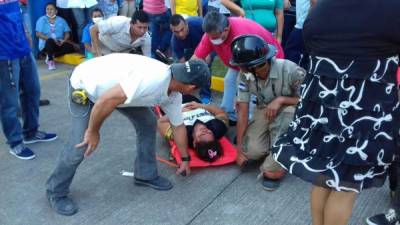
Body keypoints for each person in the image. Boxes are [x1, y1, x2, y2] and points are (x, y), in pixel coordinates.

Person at [271, 1, 400, 225]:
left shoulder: (322, 8)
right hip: (363, 111)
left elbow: (310, 43)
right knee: (345, 188)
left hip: (320, 110)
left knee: (323, 179)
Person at [45, 53, 210, 216]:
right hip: (86, 86)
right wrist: (93, 131)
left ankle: (145, 174)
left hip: (118, 91)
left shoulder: (173, 95)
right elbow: (106, 101)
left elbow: (178, 126)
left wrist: (185, 159)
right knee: (80, 144)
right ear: (191, 88)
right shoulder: (153, 80)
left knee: (148, 122)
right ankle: (55, 191)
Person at [230, 35, 305, 190]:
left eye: (260, 65)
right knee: (250, 152)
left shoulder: (291, 70)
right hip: (264, 108)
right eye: (246, 68)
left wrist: (281, 100)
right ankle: (278, 146)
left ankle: (283, 152)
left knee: (271, 172)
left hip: (293, 111)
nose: (255, 72)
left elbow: (310, 101)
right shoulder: (244, 75)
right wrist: (239, 151)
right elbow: (242, 113)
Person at [192, 11, 284, 123]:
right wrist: (185, 77)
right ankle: (228, 115)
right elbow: (196, 58)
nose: (212, 40)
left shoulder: (241, 34)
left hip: (262, 61)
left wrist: (241, 96)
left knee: (251, 91)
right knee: (229, 81)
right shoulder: (211, 34)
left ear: (226, 29)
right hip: (240, 61)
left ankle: (251, 121)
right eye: (210, 37)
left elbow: (250, 71)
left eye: (215, 37)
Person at [0, 0, 57, 160]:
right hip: (5, 55)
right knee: (9, 102)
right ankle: (15, 142)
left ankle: (31, 132)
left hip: (23, 49)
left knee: (32, 91)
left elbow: (18, 12)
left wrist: (26, 33)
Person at [158, 95, 228, 162]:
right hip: (191, 99)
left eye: (201, 134)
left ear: (194, 142)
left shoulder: (181, 136)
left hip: (171, 102)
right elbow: (221, 112)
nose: (204, 130)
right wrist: (202, 106)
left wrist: (178, 112)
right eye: (209, 132)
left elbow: (160, 122)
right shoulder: (218, 128)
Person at [170, 14, 212, 104]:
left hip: (207, 43)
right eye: (176, 32)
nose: (180, 34)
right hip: (191, 48)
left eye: (182, 29)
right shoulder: (174, 42)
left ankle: (205, 95)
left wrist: (207, 53)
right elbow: (183, 65)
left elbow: (211, 34)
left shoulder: (198, 23)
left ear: (186, 24)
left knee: (204, 67)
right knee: (185, 69)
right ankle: (184, 94)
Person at [36, 2, 78, 70]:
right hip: (47, 43)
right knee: (49, 41)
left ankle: (53, 55)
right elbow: (38, 34)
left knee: (71, 47)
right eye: (47, 9)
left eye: (51, 9)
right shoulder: (41, 20)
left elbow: (67, 33)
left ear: (56, 11)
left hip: (59, 42)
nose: (49, 11)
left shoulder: (61, 20)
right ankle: (50, 61)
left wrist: (64, 40)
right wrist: (51, 39)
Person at [283, 0, 310, 68]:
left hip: (304, 24)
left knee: (290, 54)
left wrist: (310, 20)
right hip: (303, 22)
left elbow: (314, 2)